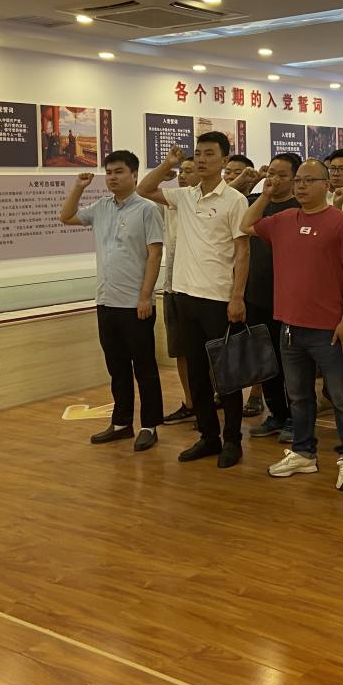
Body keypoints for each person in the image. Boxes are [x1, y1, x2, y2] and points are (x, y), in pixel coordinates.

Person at [243, 160, 343, 490]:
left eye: (309, 180)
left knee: (341, 398)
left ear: (326, 184)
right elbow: (246, 224)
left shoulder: (342, 223)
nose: (301, 186)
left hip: (328, 328)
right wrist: (265, 194)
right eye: (298, 180)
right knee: (298, 396)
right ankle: (303, 452)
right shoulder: (283, 220)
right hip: (289, 327)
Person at [137, 132, 250, 468]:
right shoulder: (184, 196)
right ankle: (208, 436)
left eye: (209, 154)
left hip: (218, 299)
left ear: (224, 160)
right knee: (197, 374)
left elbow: (243, 252)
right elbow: (144, 189)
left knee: (226, 376)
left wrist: (237, 296)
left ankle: (233, 440)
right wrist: (169, 163)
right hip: (184, 295)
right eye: (198, 153)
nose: (201, 159)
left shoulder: (234, 200)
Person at [59, 151, 164, 451]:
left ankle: (149, 425)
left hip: (136, 303)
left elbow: (155, 254)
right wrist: (78, 187)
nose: (112, 177)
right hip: (106, 301)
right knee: (116, 367)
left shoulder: (147, 209)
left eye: (119, 171)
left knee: (144, 367)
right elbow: (66, 216)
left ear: (134, 174)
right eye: (109, 172)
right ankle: (121, 423)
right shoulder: (102, 207)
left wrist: (146, 296)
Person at [239, 154, 300, 441]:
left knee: (292, 363)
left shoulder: (300, 208)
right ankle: (276, 414)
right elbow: (244, 227)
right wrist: (263, 195)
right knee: (265, 361)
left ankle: (297, 419)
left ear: (295, 179)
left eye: (282, 175)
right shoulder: (256, 203)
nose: (274, 179)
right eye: (271, 173)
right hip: (257, 295)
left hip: (290, 299)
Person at [161, 158, 198, 425]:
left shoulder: (208, 202)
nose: (182, 176)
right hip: (172, 287)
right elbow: (144, 189)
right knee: (180, 350)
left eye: (189, 171)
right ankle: (190, 401)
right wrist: (166, 166)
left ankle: (210, 399)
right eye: (180, 171)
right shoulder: (171, 202)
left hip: (200, 289)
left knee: (206, 351)